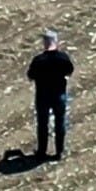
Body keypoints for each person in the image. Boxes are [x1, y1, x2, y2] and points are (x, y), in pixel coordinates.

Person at [28, 31, 74, 161]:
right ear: (56, 41)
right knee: (60, 122)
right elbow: (69, 71)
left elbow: (31, 76)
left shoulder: (38, 60)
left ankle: (42, 152)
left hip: (43, 96)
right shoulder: (63, 58)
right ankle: (59, 151)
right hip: (59, 94)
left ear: (44, 43)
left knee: (42, 123)